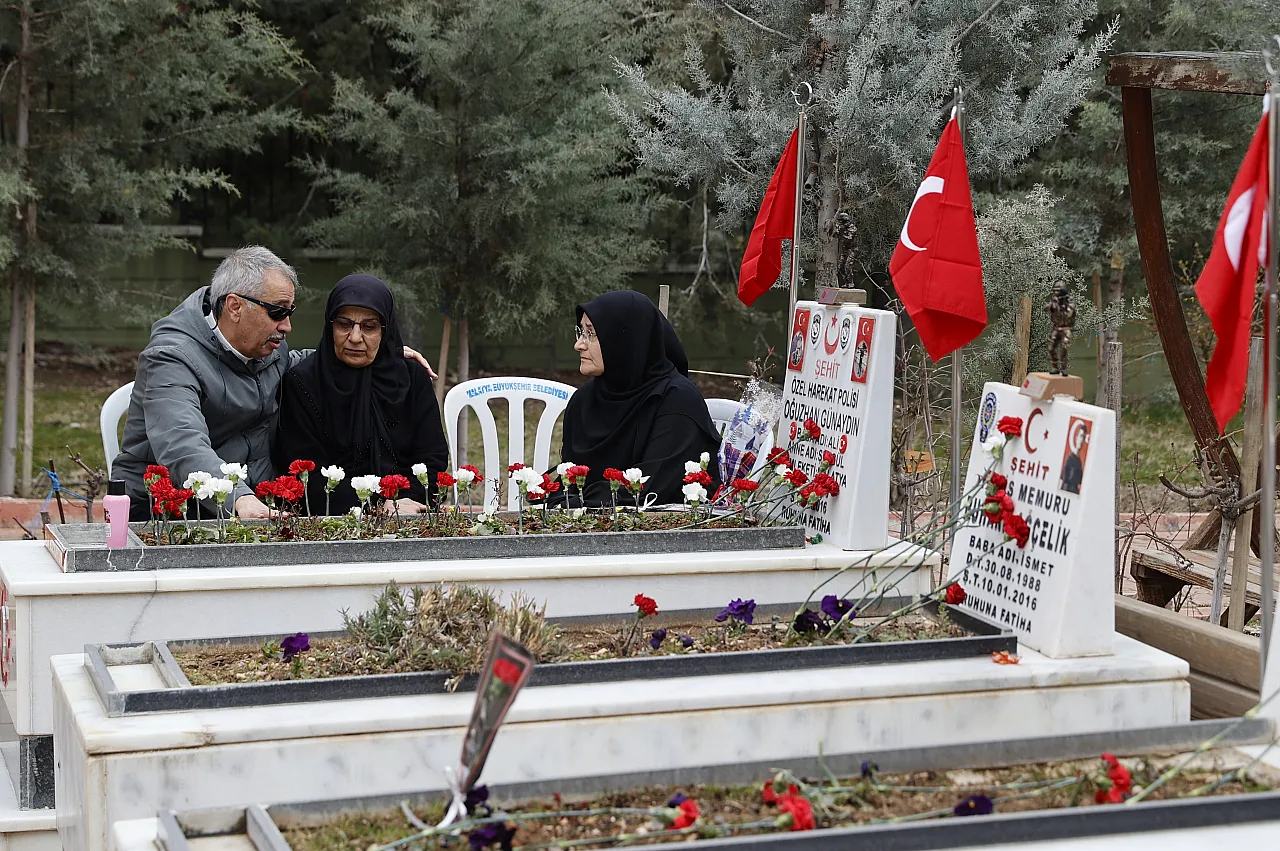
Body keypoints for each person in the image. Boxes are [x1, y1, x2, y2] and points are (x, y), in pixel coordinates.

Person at [114, 247, 434, 521]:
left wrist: (379, 352)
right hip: (171, 511)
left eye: (289, 312)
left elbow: (296, 362)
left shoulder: (265, 344)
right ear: (235, 307)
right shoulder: (171, 358)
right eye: (278, 312)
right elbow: (182, 444)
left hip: (260, 504)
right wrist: (239, 498)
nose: (287, 326)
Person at [274, 274, 448, 515]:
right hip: (330, 519)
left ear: (386, 330)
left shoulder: (411, 378)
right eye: (344, 324)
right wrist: (376, 506)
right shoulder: (303, 383)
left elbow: (432, 459)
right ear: (330, 325)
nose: (355, 338)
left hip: (409, 512)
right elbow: (303, 473)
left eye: (369, 327)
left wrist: (404, 503)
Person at [555, 290, 721, 506]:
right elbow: (570, 479)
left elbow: (647, 491)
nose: (579, 344)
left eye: (591, 333)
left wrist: (575, 503)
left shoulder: (676, 400)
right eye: (581, 331)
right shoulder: (584, 401)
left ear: (626, 339)